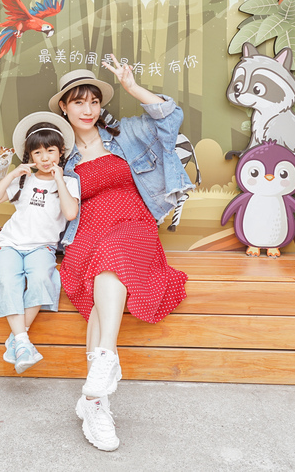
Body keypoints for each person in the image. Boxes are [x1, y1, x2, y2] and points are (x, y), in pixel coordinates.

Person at [51, 59, 192, 452]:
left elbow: (170, 118)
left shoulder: (124, 132)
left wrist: (133, 88)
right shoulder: (58, 153)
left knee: (112, 258)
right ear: (63, 106)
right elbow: (42, 205)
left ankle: (103, 370)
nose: (87, 109)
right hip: (86, 233)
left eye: (93, 101)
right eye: (78, 102)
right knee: (102, 274)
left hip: (134, 223)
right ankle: (97, 399)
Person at [0, 112, 80, 374]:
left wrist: (59, 178)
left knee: (40, 279)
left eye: (51, 151)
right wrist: (13, 172)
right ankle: (24, 342)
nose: (45, 158)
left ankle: (18, 340)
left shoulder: (69, 182)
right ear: (30, 156)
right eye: (38, 153)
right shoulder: (23, 179)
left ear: (61, 152)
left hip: (42, 247)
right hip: (11, 243)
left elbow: (70, 213)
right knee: (7, 281)